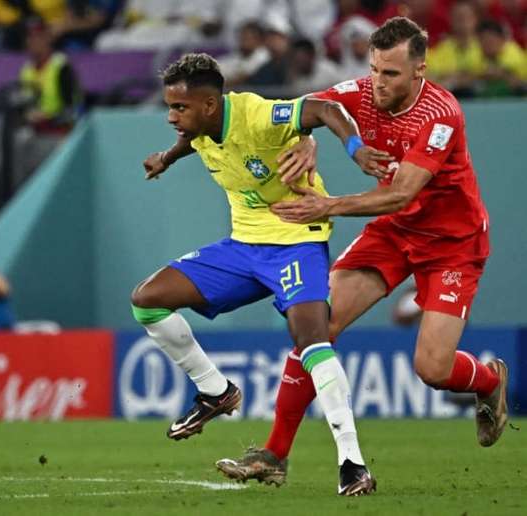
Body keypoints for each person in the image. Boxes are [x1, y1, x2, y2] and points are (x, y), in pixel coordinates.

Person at [219, 16, 509, 488]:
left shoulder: (441, 114)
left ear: (420, 70)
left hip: (452, 245)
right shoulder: (358, 92)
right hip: (394, 234)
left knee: (432, 368)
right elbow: (303, 110)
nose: (377, 82)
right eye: (374, 69)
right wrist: (308, 138)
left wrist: (329, 204)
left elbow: (401, 193)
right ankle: (273, 454)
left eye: (390, 73)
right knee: (315, 325)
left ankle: (490, 380)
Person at [133, 53, 394, 496]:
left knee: (312, 339)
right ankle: (215, 391)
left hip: (296, 239)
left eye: (179, 108)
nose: (171, 116)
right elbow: (193, 140)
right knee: (148, 300)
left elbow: (325, 109)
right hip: (243, 247)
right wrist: (168, 157)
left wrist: (355, 149)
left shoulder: (257, 114)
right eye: (170, 106)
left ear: (211, 105)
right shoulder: (200, 129)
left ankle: (352, 463)